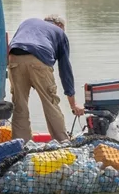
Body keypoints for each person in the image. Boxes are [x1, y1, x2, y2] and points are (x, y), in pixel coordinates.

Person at [7, 14, 85, 142]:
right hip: (40, 59)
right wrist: (73, 104)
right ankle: (62, 142)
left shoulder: (29, 21)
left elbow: (12, 45)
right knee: (50, 102)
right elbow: (65, 70)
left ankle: (20, 145)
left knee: (19, 103)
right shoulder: (59, 32)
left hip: (14, 58)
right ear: (59, 25)